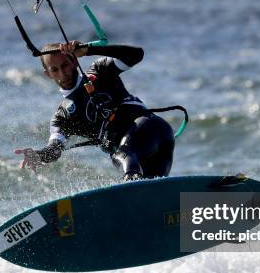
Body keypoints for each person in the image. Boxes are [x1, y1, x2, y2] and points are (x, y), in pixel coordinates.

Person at [15, 41, 175, 180]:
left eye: (65, 65)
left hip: (151, 129)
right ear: (48, 74)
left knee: (121, 155)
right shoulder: (62, 117)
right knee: (150, 192)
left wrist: (89, 50)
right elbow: (54, 149)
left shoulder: (100, 71)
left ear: (74, 62)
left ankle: (131, 182)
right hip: (137, 158)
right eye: (55, 69)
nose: (62, 73)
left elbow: (136, 54)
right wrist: (38, 155)